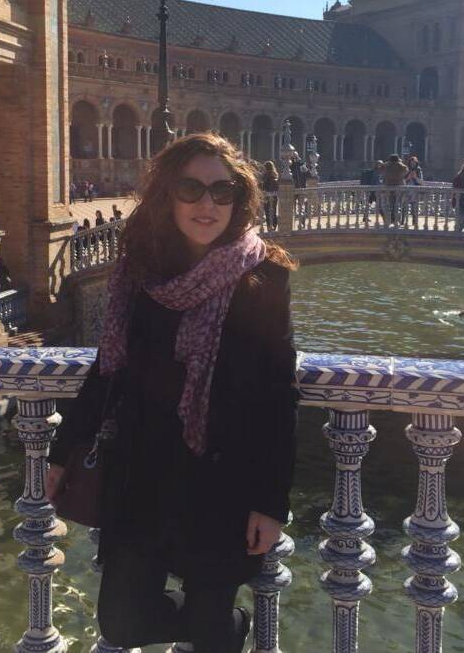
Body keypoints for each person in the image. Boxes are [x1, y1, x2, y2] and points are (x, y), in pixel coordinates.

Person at [46, 133, 299, 653]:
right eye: (191, 189)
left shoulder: (262, 276)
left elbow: (278, 396)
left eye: (222, 191)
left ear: (239, 198)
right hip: (141, 474)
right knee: (121, 624)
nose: (207, 204)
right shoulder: (142, 270)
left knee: (210, 633)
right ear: (167, 195)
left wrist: (271, 502)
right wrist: (62, 451)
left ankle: (223, 625)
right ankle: (224, 624)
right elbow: (109, 368)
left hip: (222, 481)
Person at [382, 154, 408, 225]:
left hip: (388, 187)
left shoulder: (386, 166)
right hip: (399, 187)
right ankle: (397, 220)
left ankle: (389, 220)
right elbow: (406, 170)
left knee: (389, 205)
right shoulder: (401, 166)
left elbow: (381, 169)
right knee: (398, 205)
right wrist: (400, 162)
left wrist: (388, 163)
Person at [403, 156, 423, 226]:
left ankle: (415, 222)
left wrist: (415, 177)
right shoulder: (406, 169)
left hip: (415, 190)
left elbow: (421, 181)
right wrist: (408, 178)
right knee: (404, 206)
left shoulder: (418, 170)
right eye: (411, 163)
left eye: (414, 163)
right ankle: (403, 221)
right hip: (407, 190)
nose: (412, 164)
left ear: (416, 163)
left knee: (414, 207)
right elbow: (403, 181)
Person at [262, 160, 279, 231]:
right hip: (274, 195)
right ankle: (274, 225)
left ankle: (269, 226)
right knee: (273, 211)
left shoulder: (265, 176)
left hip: (267, 195)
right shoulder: (275, 175)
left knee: (267, 211)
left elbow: (263, 186)